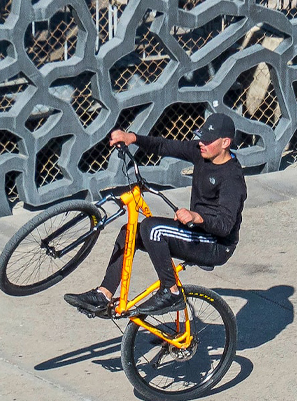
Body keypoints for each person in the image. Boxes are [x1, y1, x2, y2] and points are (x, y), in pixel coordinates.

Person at [64, 112, 246, 318]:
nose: (201, 143)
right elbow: (163, 146)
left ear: (225, 143)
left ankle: (171, 292)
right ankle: (104, 295)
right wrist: (132, 138)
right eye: (201, 137)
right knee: (129, 233)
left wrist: (196, 217)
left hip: (216, 244)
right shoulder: (202, 153)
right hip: (195, 231)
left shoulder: (232, 178)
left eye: (208, 140)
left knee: (153, 228)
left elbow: (225, 225)